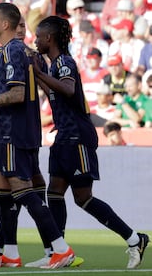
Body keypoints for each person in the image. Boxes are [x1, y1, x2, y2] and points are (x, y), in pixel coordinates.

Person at [0, 3, 75, 269]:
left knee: (22, 192)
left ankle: (60, 248)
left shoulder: (11, 51)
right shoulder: (28, 53)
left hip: (14, 131)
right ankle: (10, 251)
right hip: (25, 130)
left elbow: (17, 94)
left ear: (6, 24)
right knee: (2, 188)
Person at [32, 15, 149, 269]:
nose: (36, 40)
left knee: (83, 198)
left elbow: (68, 89)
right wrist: (38, 73)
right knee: (54, 193)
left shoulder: (64, 62)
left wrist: (40, 72)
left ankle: (134, 239)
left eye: (39, 36)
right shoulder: (53, 65)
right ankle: (57, 251)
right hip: (64, 135)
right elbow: (54, 92)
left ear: (49, 38)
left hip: (78, 137)